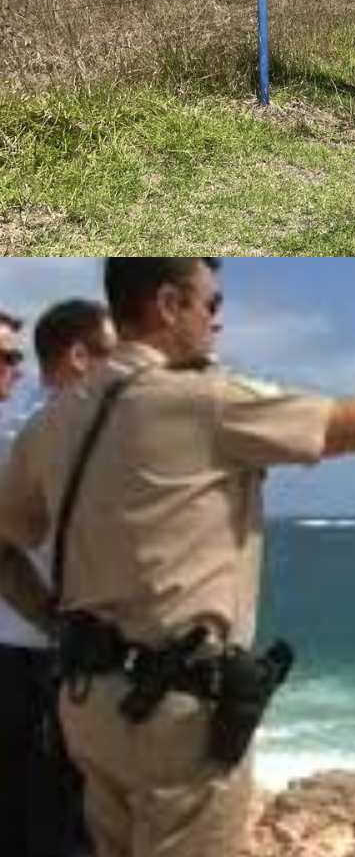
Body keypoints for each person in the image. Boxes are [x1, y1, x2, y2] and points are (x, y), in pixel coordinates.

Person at [0, 258, 355, 857]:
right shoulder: (203, 402)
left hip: (88, 701)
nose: (218, 323)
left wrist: (54, 622)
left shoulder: (53, 422)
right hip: (174, 717)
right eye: (212, 305)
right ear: (169, 305)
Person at [0, 300, 116, 857]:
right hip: (35, 657)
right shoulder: (34, 442)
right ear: (79, 358)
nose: (14, 370)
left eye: (15, 358)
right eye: (3, 358)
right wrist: (59, 624)